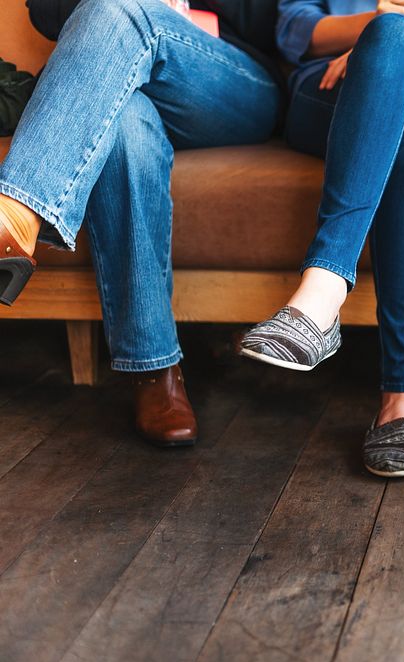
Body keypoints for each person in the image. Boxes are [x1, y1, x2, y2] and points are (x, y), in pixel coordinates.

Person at [239, 0, 404, 477]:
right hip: (327, 81)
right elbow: (294, 26)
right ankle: (402, 402)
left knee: (393, 37)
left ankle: (322, 291)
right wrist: (369, 48)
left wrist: (388, 45)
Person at [0, 0, 283, 446]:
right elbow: (47, 13)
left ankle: (16, 214)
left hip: (227, 78)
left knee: (122, 12)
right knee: (125, 122)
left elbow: (279, 22)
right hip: (118, 65)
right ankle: (155, 369)